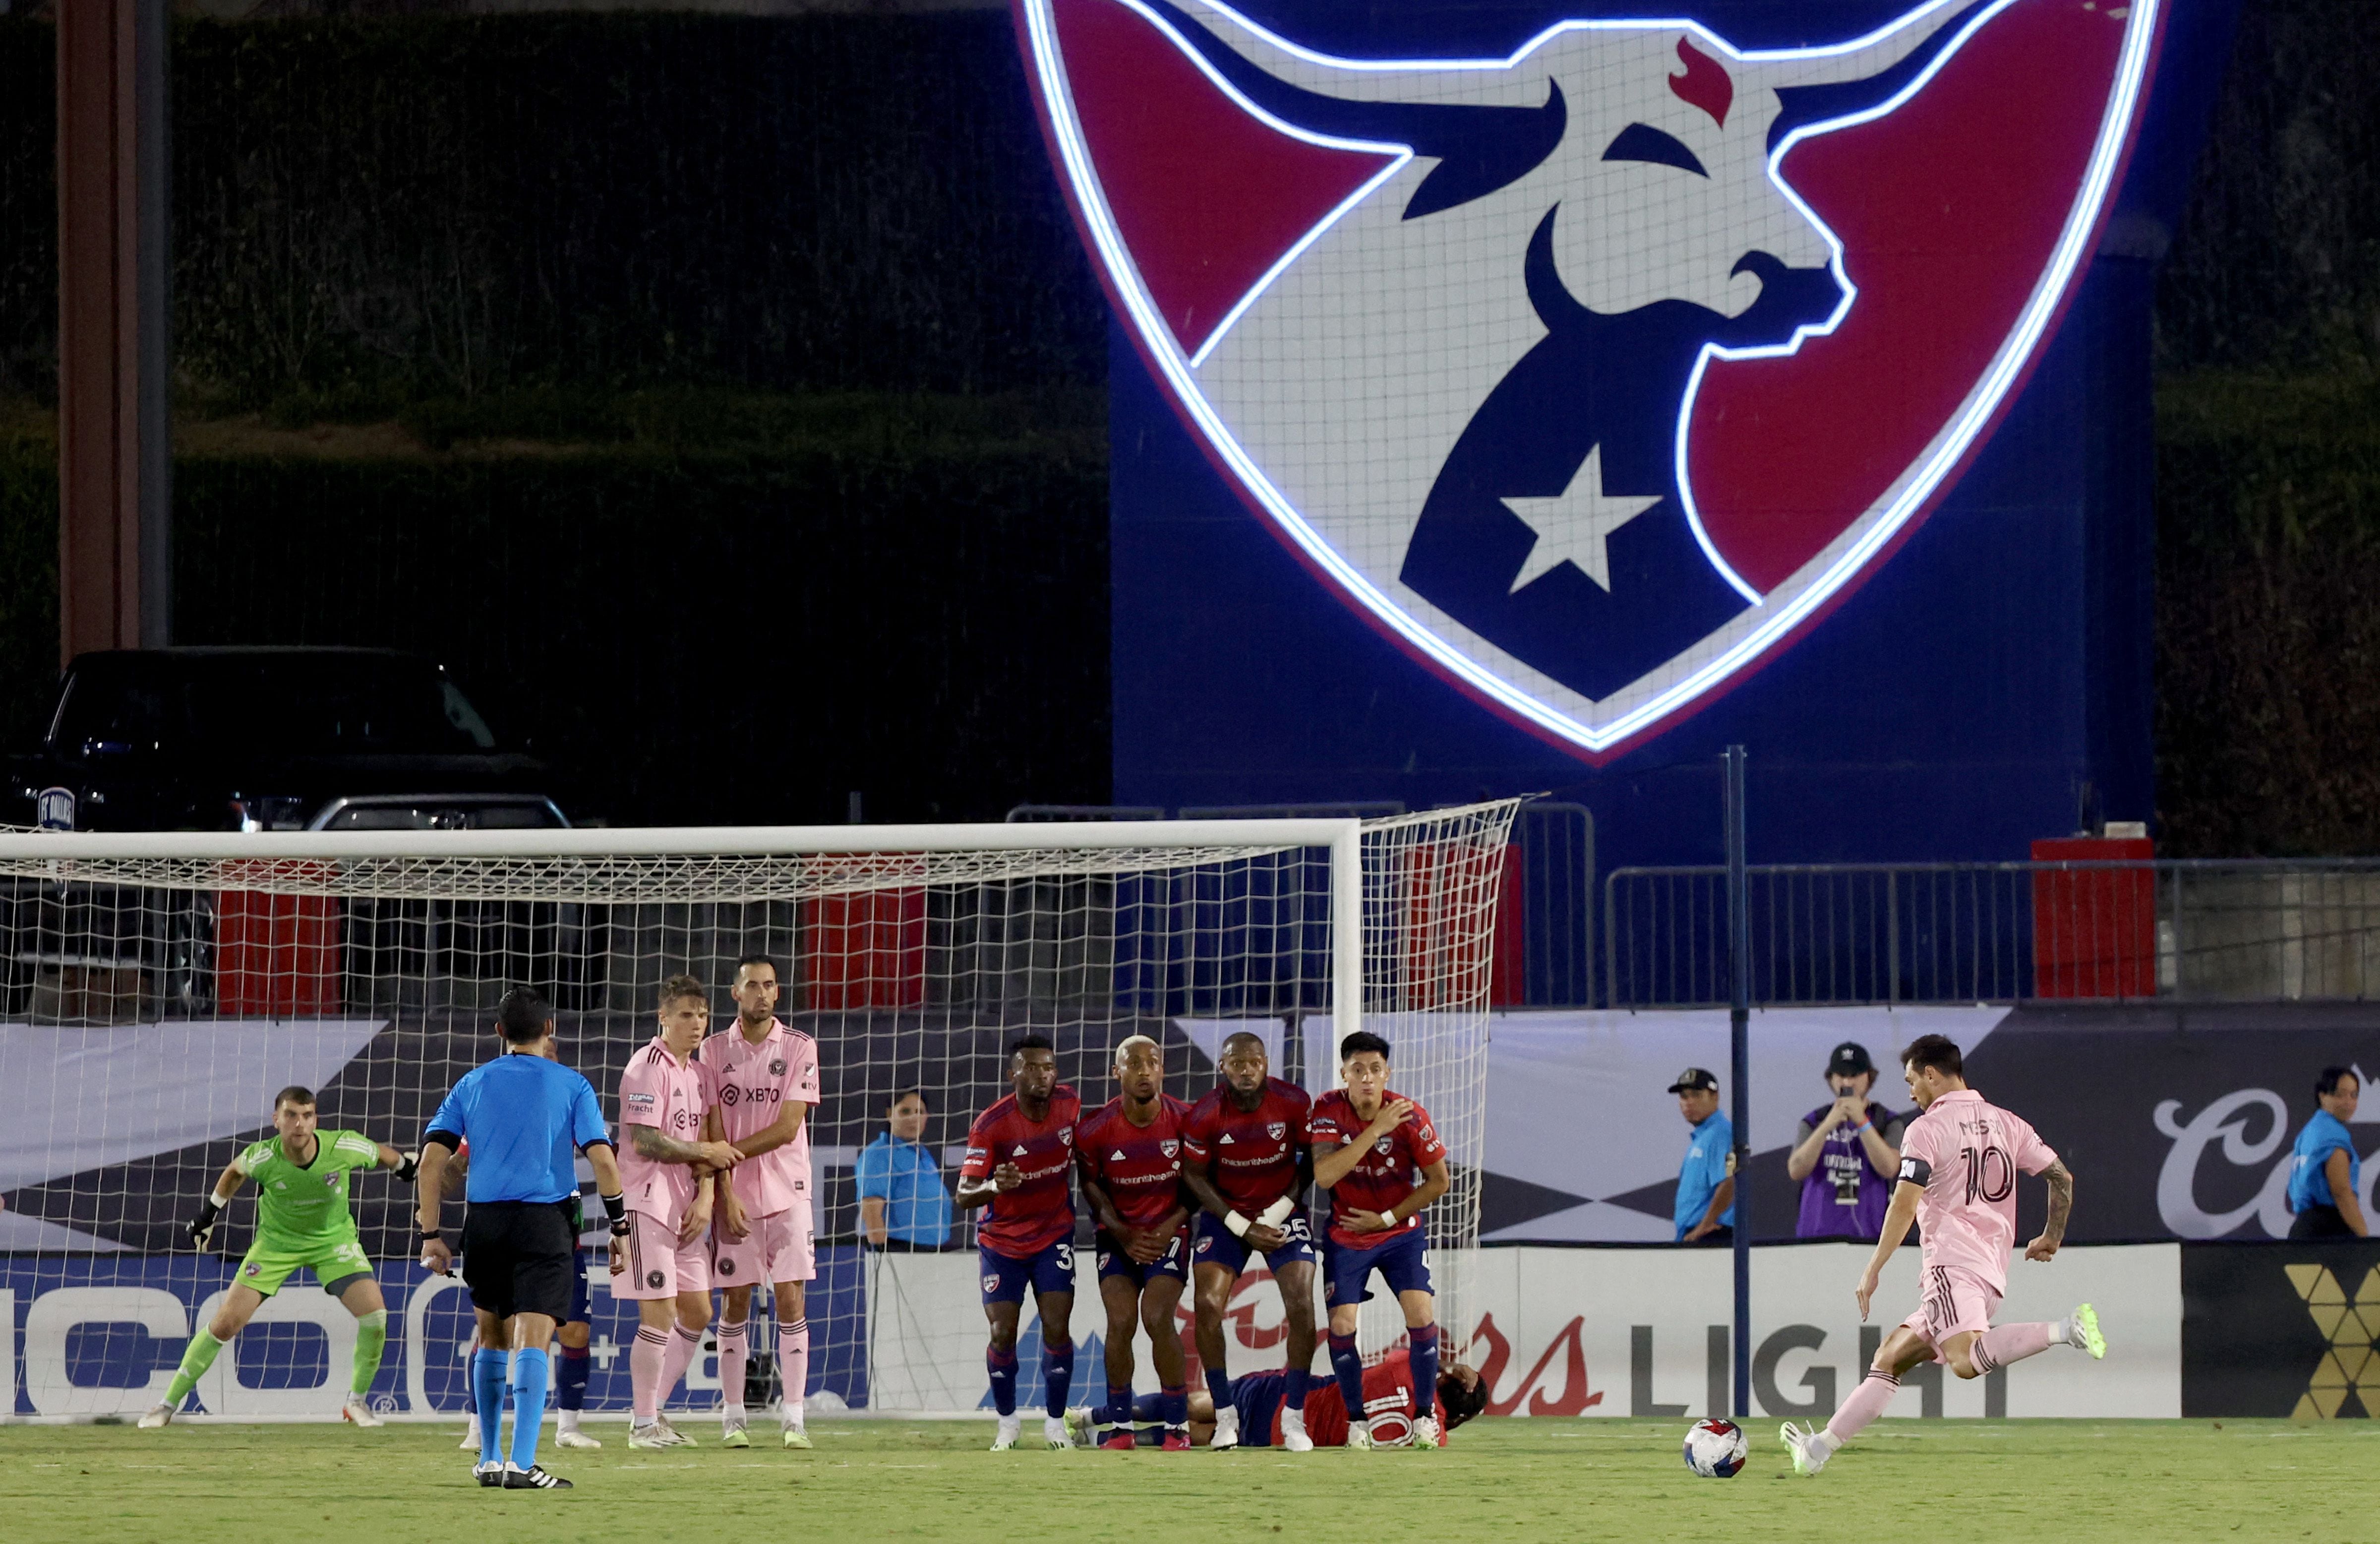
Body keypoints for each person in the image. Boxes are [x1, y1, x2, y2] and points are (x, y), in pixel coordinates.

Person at [1783, 1034, 2105, 1477]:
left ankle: (2066, 1329)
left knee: (1965, 1361)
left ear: (1932, 1074)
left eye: (1912, 1081)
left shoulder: (1926, 1129)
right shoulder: (2008, 1122)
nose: (1911, 1092)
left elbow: (1904, 1203)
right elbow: (2061, 1177)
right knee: (1890, 1358)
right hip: (1989, 1270)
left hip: (1951, 1266)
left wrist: (1874, 1268)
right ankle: (1816, 1450)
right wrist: (2052, 1235)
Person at [413, 986, 627, 1490]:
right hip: (545, 1222)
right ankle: (523, 1463)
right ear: (549, 1028)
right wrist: (620, 1227)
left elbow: (429, 1163)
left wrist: (431, 1235)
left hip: (485, 1222)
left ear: (499, 1031)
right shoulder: (572, 1083)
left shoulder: (471, 1083)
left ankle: (489, 1459)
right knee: (535, 1338)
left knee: (491, 1336)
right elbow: (603, 1159)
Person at [142, 1087, 417, 1430]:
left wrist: (404, 1166)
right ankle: (166, 1405)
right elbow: (234, 1172)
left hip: (333, 1242)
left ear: (315, 1120)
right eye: (291, 1115)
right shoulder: (263, 1156)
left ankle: (356, 1402)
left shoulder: (343, 1146)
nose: (299, 1124)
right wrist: (208, 1215)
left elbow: (381, 1153)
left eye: (307, 1116)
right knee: (225, 1324)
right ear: (277, 1120)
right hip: (276, 1245)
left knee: (375, 1317)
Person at [446, 1017, 603, 1453]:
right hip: (512, 1229)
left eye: (551, 1058)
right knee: (497, 1330)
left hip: (558, 1233)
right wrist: (440, 1183)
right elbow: (457, 1159)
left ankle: (567, 1425)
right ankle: (480, 1427)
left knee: (574, 1330)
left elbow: (599, 1152)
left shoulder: (567, 1097)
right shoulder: (495, 1103)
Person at [702, 954, 824, 1447]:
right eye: (752, 985)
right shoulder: (713, 1049)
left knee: (791, 1299)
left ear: (777, 991)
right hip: (735, 1197)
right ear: (736, 992)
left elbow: (789, 1126)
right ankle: (734, 1416)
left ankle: (794, 1416)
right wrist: (725, 1189)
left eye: (769, 985)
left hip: (789, 1192)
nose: (762, 993)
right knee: (735, 1302)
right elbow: (712, 1126)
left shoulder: (799, 1045)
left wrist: (726, 1154)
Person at [1309, 1030, 1451, 1451]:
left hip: (1399, 1233)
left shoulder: (1411, 1115)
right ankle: (1356, 1421)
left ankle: (1424, 1415)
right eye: (1358, 1070)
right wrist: (1375, 1131)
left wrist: (1387, 1218)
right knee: (1342, 1325)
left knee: (1421, 1314)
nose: (1367, 1077)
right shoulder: (1327, 1109)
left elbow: (1440, 1181)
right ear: (1344, 1074)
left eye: (1375, 1069)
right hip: (1348, 1235)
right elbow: (1324, 1176)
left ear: (1388, 1073)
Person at [1179, 1029, 1318, 1452]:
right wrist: (1241, 1225)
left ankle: (1294, 1418)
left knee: (1302, 1303)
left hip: (1283, 1212)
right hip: (1227, 1217)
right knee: (1207, 1304)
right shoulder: (1203, 1114)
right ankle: (1225, 1415)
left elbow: (1312, 1162)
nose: (1246, 1070)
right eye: (1237, 1062)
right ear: (1223, 1066)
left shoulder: (1294, 1102)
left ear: (1266, 1064)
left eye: (1254, 1062)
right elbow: (1194, 1177)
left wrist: (1275, 1213)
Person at [618, 973, 740, 1450]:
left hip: (686, 1208)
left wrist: (706, 1196)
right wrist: (707, 1153)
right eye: (686, 1014)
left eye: (703, 1015)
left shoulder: (700, 1073)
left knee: (697, 1309)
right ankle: (642, 1423)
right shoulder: (646, 1067)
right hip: (647, 1203)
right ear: (663, 1017)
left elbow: (705, 1143)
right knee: (660, 1313)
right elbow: (646, 1140)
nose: (697, 1023)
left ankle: (655, 1412)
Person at [955, 1033, 1083, 1451]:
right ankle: (1007, 1423)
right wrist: (995, 1185)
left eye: (1048, 1067)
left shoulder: (1070, 1104)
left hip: (1053, 1234)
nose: (1041, 1075)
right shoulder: (991, 1124)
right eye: (1031, 1068)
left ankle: (1055, 1424)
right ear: (1013, 1074)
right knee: (1002, 1332)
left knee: (1058, 1327)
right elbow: (963, 1195)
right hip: (1003, 1243)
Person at [1075, 1035, 1195, 1450]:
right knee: (1121, 1321)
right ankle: (1121, 1427)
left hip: (1170, 1234)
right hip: (1118, 1237)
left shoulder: (1187, 1120)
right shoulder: (1094, 1128)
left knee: (1157, 1316)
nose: (1144, 1070)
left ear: (1163, 1069)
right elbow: (1090, 1185)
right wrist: (1123, 1233)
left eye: (1152, 1062)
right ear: (1117, 1072)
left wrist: (1169, 1227)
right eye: (1134, 1063)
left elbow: (1200, 1184)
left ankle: (1178, 1426)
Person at [1078, 1350, 1486, 1449]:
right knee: (1194, 1435)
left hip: (1291, 1397)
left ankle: (1089, 1417)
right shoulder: (1433, 1439)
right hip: (1282, 1436)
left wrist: (1450, 1364)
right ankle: (1097, 1440)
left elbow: (1423, 1354)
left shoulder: (1405, 1370)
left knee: (1188, 1405)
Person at [1785, 1042, 1905, 1240]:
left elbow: (1890, 1168)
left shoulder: (1886, 1121)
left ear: (1869, 1077)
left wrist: (1862, 1122)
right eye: (1841, 1075)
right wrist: (1827, 1125)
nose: (1848, 1083)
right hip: (1816, 1235)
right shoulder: (1814, 1121)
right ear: (1831, 1078)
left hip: (1869, 1235)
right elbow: (1796, 1170)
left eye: (1855, 1075)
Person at [857, 1090, 954, 1248]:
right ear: (890, 1114)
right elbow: (871, 1209)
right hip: (899, 1249)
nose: (913, 1118)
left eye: (920, 1112)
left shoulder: (923, 1154)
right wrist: (881, 1251)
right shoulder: (879, 1154)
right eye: (905, 1111)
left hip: (934, 1250)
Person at [2287, 1066, 2369, 1238]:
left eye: (2354, 1095)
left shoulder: (2309, 1132)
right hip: (2329, 1233)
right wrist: (2365, 1240)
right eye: (2340, 1094)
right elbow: (2341, 1191)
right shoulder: (2332, 1134)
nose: (2348, 1102)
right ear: (2323, 1096)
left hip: (2303, 1231)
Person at [1669, 1067, 1734, 1245]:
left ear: (1715, 1097)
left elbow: (1730, 1181)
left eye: (1697, 1095)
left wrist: (1704, 1226)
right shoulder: (1704, 1137)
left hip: (1711, 1235)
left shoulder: (1722, 1134)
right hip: (1698, 1234)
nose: (1689, 1102)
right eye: (1684, 1097)